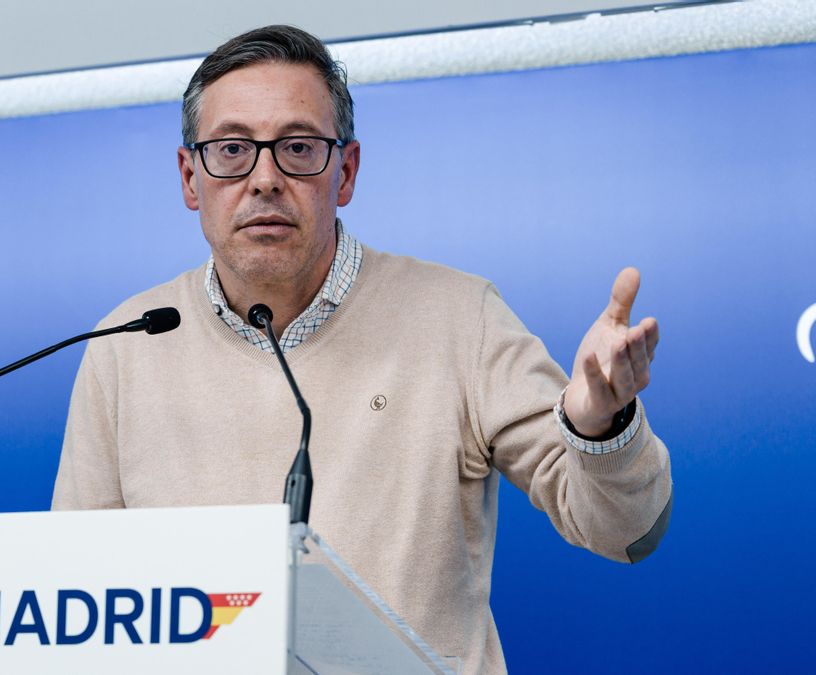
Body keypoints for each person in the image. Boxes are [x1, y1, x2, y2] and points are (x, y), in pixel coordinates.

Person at [52, 24, 672, 674]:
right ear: (190, 177)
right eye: (232, 150)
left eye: (297, 148)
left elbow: (629, 531)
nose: (264, 179)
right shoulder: (126, 344)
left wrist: (600, 426)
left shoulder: (460, 317)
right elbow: (73, 592)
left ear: (345, 172)